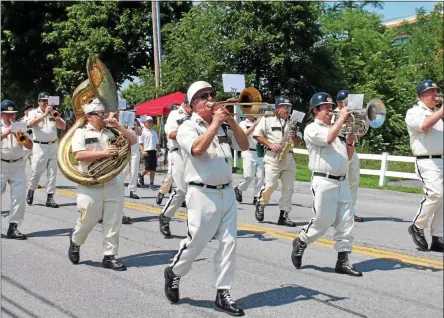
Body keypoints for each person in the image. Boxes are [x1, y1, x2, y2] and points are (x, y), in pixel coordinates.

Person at [164, 81, 248, 316]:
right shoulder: (186, 127)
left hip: (227, 192)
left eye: (211, 94)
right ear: (192, 105)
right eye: (203, 96)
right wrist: (215, 123)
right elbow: (198, 150)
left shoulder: (222, 126)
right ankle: (174, 272)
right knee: (196, 242)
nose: (210, 98)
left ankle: (223, 292)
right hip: (202, 192)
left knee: (229, 243)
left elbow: (244, 144)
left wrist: (230, 120)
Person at [291, 92, 362, 277]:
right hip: (324, 180)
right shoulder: (312, 129)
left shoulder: (336, 128)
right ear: (315, 110)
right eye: (326, 109)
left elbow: (348, 156)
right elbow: (329, 138)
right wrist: (342, 121)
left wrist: (351, 137)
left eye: (332, 109)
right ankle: (301, 240)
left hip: (342, 181)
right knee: (323, 221)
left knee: (346, 222)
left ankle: (343, 260)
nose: (331, 112)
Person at [68, 98, 137, 270]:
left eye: (104, 113)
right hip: (91, 181)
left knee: (113, 220)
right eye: (100, 114)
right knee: (88, 218)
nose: (104, 117)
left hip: (113, 180)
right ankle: (76, 241)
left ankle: (109, 255)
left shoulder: (112, 131)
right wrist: (104, 152)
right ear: (89, 116)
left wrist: (119, 126)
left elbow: (133, 141)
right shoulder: (81, 133)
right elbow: (78, 155)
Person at [253, 95, 303, 227]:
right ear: (277, 108)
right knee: (271, 185)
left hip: (289, 157)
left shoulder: (293, 121)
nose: (288, 109)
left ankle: (284, 215)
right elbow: (257, 135)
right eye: (285, 107)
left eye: (289, 107)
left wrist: (295, 136)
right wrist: (270, 145)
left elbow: (299, 141)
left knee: (288, 188)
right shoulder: (267, 119)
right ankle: (261, 203)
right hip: (272, 156)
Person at [405, 80, 443, 252]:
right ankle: (417, 226)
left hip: (442, 159)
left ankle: (438, 236)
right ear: (421, 95)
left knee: (443, 200)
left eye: (436, 91)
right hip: (426, 160)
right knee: (435, 193)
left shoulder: (438, 113)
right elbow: (425, 125)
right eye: (431, 92)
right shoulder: (414, 112)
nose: (435, 94)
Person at [26, 92, 66, 208]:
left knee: (53, 173)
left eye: (47, 101)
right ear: (38, 102)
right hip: (39, 146)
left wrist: (56, 118)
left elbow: (63, 126)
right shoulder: (33, 112)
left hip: (53, 145)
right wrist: (44, 115)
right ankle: (31, 189)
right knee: (36, 172)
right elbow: (31, 124)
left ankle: (50, 197)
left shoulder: (53, 112)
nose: (45, 103)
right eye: (43, 100)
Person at [158, 101, 192, 237]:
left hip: (192, 153)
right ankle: (165, 216)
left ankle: (194, 225)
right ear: (185, 103)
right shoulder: (174, 114)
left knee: (195, 190)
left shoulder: (195, 115)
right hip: (177, 152)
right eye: (191, 105)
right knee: (182, 189)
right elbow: (171, 134)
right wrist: (189, 128)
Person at [1, 100, 34, 240]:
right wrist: (6, 132)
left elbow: (30, 146)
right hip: (1, 164)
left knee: (19, 198)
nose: (11, 117)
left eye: (13, 114)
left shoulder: (19, 127)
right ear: (1, 114)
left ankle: (13, 227)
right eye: (8, 114)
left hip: (17, 165)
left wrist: (20, 136)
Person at [336, 90, 364, 222]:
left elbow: (361, 131)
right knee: (341, 181)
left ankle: (350, 209)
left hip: (351, 147)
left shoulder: (352, 114)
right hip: (338, 149)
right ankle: (338, 210)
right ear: (340, 103)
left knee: (354, 179)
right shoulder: (335, 114)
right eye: (345, 102)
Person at [234, 115, 265, 205]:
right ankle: (239, 188)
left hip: (260, 152)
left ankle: (257, 197)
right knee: (248, 176)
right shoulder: (243, 123)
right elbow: (243, 135)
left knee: (260, 177)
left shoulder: (262, 123)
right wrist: (255, 124)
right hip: (248, 151)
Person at [125, 106, 142, 200]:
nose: (133, 114)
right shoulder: (122, 120)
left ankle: (132, 190)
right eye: (131, 112)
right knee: (125, 170)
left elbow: (139, 133)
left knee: (134, 169)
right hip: (126, 148)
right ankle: (116, 186)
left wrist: (135, 125)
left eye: (134, 112)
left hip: (135, 149)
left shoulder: (137, 121)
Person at [139, 116, 160, 190]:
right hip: (147, 151)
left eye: (151, 121)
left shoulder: (154, 132)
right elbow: (140, 143)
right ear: (145, 122)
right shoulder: (142, 132)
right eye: (148, 121)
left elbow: (157, 143)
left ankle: (151, 184)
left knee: (153, 170)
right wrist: (142, 151)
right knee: (148, 168)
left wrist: (159, 150)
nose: (150, 123)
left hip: (153, 151)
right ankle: (141, 175)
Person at [21, 104, 35, 170]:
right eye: (30, 110)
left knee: (35, 167)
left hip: (34, 146)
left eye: (32, 110)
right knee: (21, 166)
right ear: (25, 112)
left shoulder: (35, 120)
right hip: (24, 147)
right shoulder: (21, 121)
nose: (32, 111)